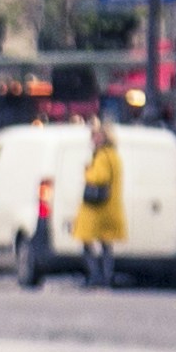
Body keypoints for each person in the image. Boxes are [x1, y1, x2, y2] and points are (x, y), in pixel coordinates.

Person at [72, 116, 130, 289]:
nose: (93, 139)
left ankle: (96, 276)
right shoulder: (113, 155)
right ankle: (105, 276)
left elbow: (99, 177)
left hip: (97, 208)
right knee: (106, 245)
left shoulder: (103, 156)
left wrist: (87, 171)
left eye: (96, 135)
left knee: (87, 242)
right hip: (109, 207)